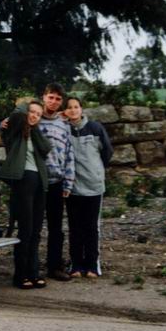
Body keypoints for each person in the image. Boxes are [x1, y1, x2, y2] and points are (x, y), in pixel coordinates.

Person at [0, 101, 52, 289]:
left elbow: (46, 148)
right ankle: (20, 275)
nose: (34, 116)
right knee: (25, 230)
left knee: (36, 231)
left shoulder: (36, 134)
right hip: (23, 182)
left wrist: (34, 127)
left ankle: (34, 272)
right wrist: (24, 109)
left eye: (38, 114)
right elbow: (16, 114)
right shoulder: (15, 132)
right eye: (32, 112)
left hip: (39, 183)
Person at [63, 96, 113, 278]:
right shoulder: (64, 129)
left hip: (93, 185)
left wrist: (97, 171)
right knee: (75, 227)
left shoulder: (95, 128)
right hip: (73, 187)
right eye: (69, 108)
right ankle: (76, 264)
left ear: (81, 109)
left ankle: (92, 264)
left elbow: (107, 151)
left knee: (91, 227)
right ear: (65, 111)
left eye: (76, 107)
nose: (73, 110)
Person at [38, 83, 75, 281]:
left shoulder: (64, 124)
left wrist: (68, 183)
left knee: (56, 227)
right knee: (33, 226)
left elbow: (69, 154)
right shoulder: (33, 117)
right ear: (44, 97)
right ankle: (30, 266)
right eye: (50, 97)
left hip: (56, 181)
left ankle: (54, 266)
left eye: (58, 99)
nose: (53, 101)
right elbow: (11, 126)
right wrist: (4, 123)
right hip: (36, 181)